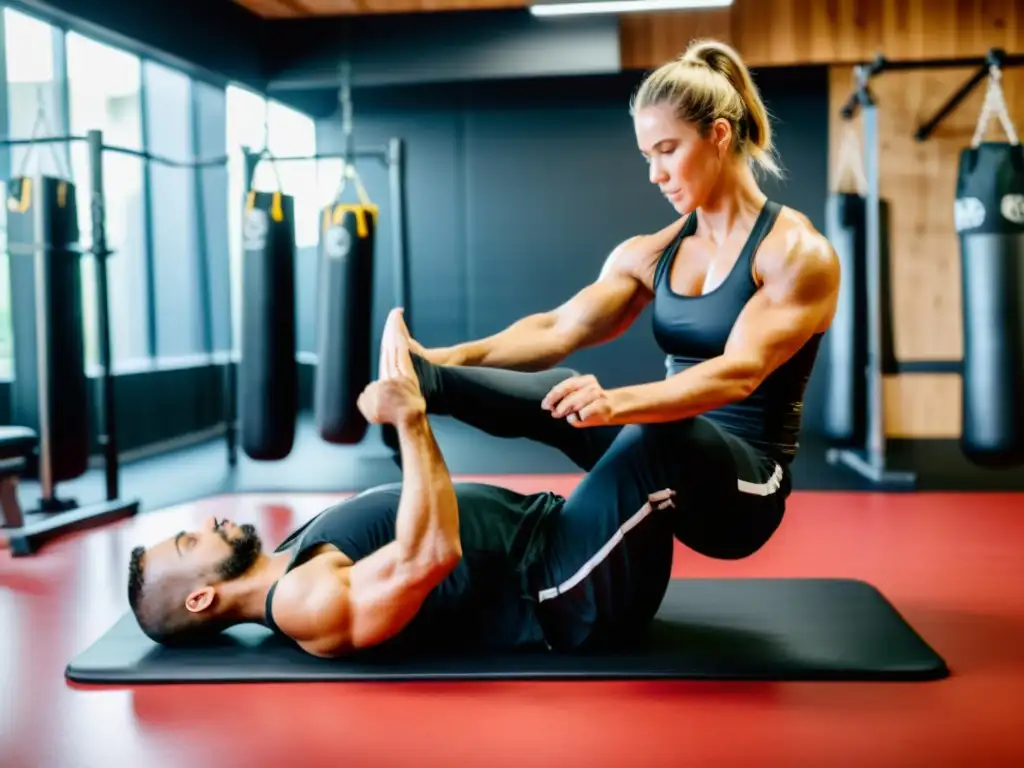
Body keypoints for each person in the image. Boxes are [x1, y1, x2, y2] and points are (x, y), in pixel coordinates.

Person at [395, 38, 840, 561]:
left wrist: (615, 404)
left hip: (747, 492)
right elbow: (557, 329)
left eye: (668, 151)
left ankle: (548, 569)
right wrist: (442, 359)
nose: (655, 174)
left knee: (652, 432)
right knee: (560, 394)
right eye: (648, 156)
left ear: (718, 135)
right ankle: (425, 382)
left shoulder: (795, 252)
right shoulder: (652, 253)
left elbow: (739, 372)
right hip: (661, 448)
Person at [125, 310, 681, 657]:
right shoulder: (302, 602)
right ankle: (763, 478)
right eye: (189, 542)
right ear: (201, 597)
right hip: (568, 586)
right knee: (658, 442)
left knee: (566, 398)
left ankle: (434, 372)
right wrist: (411, 418)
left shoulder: (291, 554)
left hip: (558, 530)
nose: (205, 525)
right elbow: (430, 556)